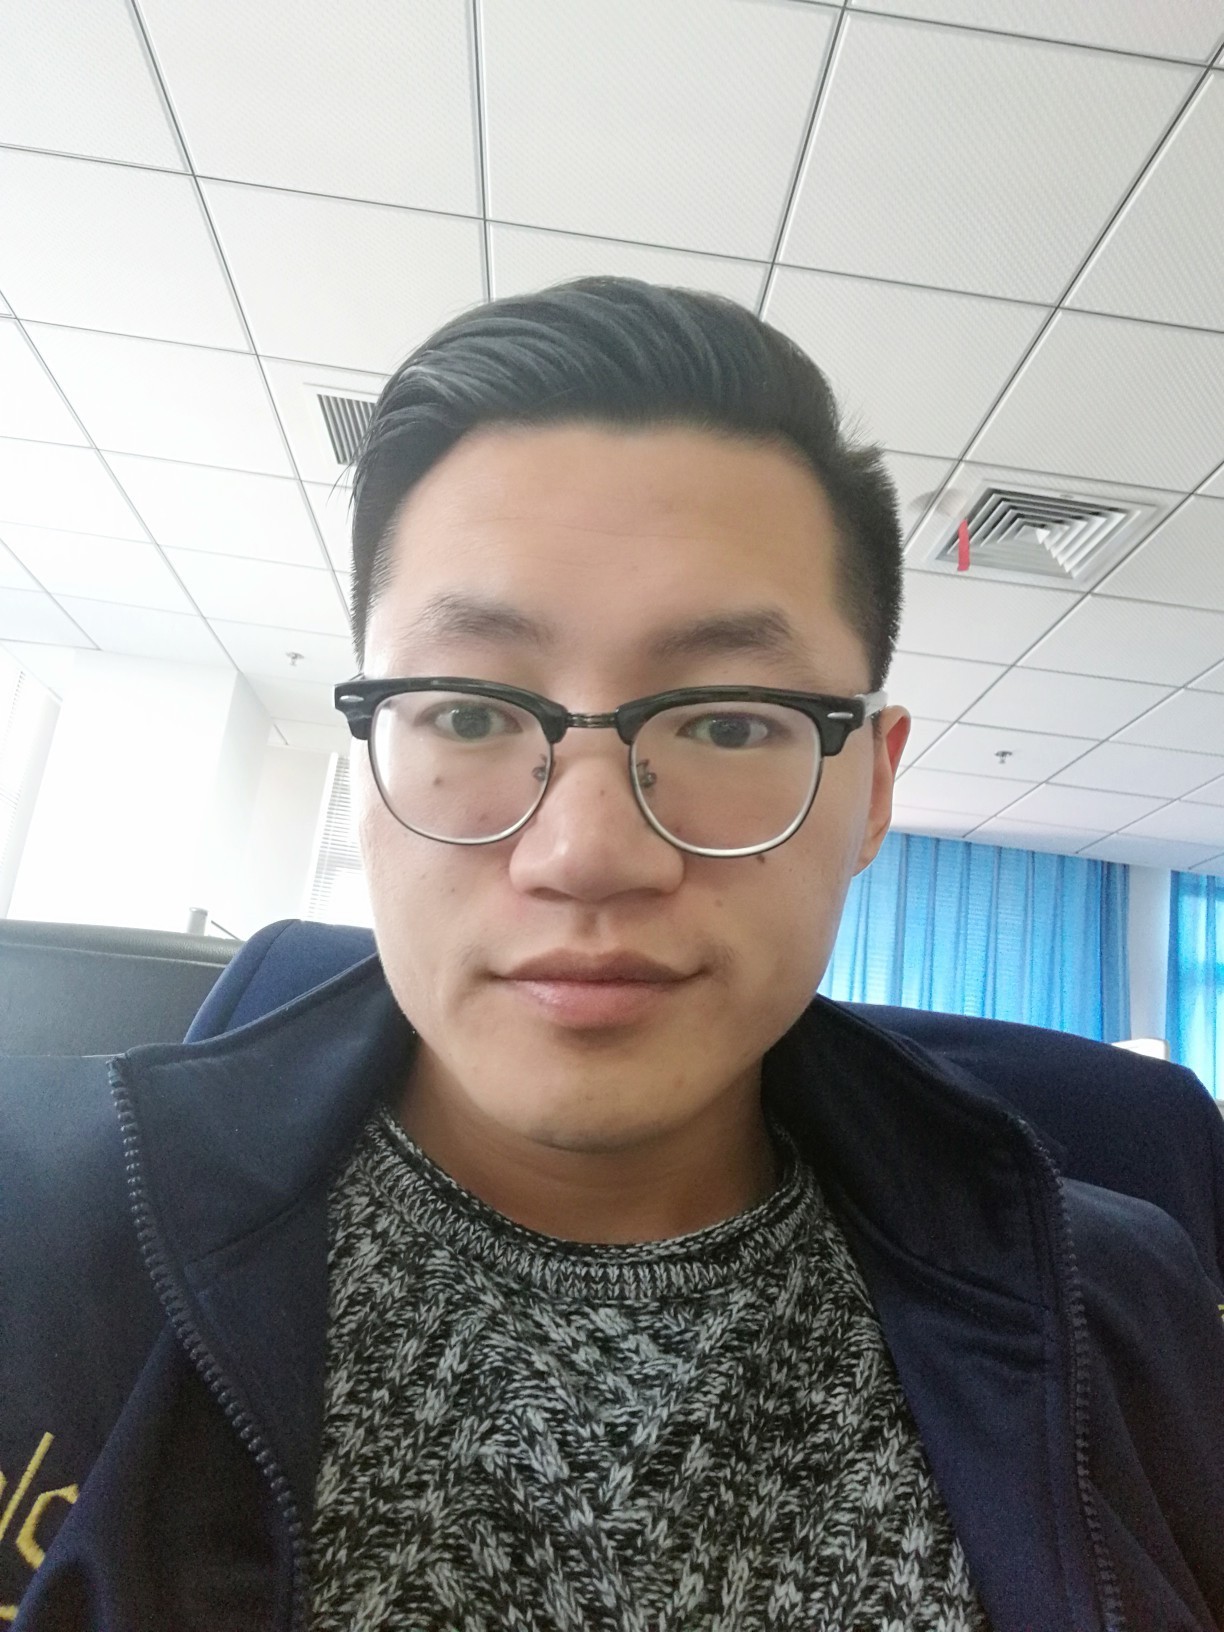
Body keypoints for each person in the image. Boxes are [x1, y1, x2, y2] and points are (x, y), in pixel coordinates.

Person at [3, 277, 1223, 1632]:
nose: (586, 853)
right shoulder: (29, 1229)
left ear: (873, 789)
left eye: (729, 724)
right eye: (471, 711)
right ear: (368, 762)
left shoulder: (1122, 1314)